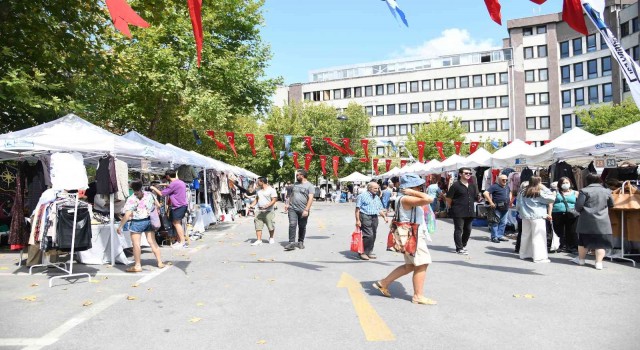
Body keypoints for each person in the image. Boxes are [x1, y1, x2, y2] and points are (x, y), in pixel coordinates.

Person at [372, 173, 437, 305]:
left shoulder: (402, 198)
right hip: (413, 236)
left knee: (410, 266)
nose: (421, 189)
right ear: (411, 187)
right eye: (419, 186)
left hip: (409, 235)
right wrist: (413, 192)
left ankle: (383, 283)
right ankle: (418, 296)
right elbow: (429, 199)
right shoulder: (406, 198)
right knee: (422, 263)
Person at [117, 181, 164, 272]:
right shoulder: (149, 194)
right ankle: (160, 262)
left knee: (136, 244)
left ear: (131, 188)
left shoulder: (131, 199)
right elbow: (158, 205)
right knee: (152, 241)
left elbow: (127, 214)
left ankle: (138, 265)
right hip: (149, 221)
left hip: (137, 222)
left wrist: (120, 226)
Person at [572, 174, 614, 270]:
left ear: (587, 180)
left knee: (583, 242)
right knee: (601, 243)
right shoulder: (607, 191)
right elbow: (612, 204)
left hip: (586, 221)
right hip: (603, 221)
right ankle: (598, 263)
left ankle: (581, 260)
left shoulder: (584, 191)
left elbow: (578, 207)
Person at [516, 176, 556, 263]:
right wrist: (545, 188)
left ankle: (524, 254)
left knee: (526, 235)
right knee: (538, 237)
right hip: (537, 216)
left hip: (525, 216)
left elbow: (518, 204)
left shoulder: (523, 191)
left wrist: (520, 212)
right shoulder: (539, 192)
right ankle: (539, 257)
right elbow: (551, 198)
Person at [446, 167, 480, 255]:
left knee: (468, 230)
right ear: (460, 174)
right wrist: (451, 207)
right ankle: (459, 248)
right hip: (458, 211)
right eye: (466, 173)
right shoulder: (455, 185)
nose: (468, 174)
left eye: (469, 173)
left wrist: (479, 197)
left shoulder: (472, 186)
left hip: (470, 211)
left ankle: (463, 245)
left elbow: (475, 198)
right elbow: (449, 198)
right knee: (459, 229)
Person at [150, 170, 188, 249]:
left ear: (167, 176)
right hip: (182, 205)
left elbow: (161, 194)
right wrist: (163, 184)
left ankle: (183, 242)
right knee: (177, 223)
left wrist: (153, 187)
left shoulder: (173, 184)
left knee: (176, 224)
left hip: (178, 206)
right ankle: (179, 241)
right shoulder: (180, 182)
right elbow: (172, 187)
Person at [355, 182, 389, 260]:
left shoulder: (376, 197)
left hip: (374, 217)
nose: (377, 190)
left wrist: (384, 216)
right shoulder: (362, 196)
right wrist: (357, 220)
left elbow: (379, 209)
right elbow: (357, 209)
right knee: (368, 235)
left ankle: (369, 251)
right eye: (375, 188)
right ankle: (362, 252)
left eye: (377, 188)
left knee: (373, 234)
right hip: (365, 216)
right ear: (369, 188)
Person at [284, 169, 315, 251]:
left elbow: (311, 198)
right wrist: (287, 203)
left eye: (298, 175)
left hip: (303, 209)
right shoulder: (295, 184)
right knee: (292, 224)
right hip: (292, 208)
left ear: (303, 176)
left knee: (302, 226)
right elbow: (292, 195)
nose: (296, 176)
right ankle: (291, 243)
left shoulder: (310, 186)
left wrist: (306, 210)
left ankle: (300, 242)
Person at [550, 177, 579, 253]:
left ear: (570, 183)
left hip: (571, 214)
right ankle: (561, 245)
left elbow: (579, 203)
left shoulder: (575, 193)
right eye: (563, 183)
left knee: (571, 230)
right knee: (559, 230)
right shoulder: (555, 192)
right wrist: (549, 214)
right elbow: (551, 204)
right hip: (557, 213)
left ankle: (571, 247)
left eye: (567, 182)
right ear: (560, 184)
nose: (565, 184)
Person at [248, 177, 278, 246]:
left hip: (269, 211)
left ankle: (271, 238)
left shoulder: (271, 190)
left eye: (258, 181)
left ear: (262, 182)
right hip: (259, 211)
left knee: (270, 226)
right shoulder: (258, 190)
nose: (257, 183)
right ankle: (259, 240)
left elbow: (274, 200)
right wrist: (251, 205)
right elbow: (257, 199)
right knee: (258, 226)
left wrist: (268, 205)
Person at [484, 174, 512, 243]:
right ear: (499, 180)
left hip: (505, 207)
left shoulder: (507, 187)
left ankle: (500, 235)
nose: (505, 181)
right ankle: (494, 237)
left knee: (503, 222)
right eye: (503, 180)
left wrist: (510, 200)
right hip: (497, 207)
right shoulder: (495, 186)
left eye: (506, 180)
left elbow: (510, 192)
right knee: (495, 222)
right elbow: (485, 193)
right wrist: (491, 202)